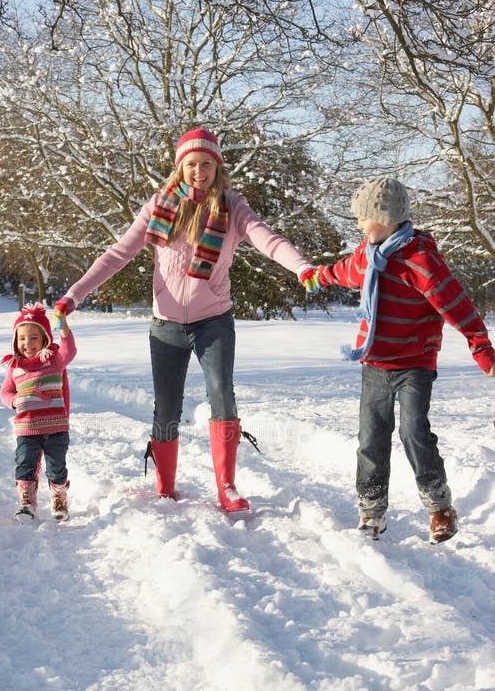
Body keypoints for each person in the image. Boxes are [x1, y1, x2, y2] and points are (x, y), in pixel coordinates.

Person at [54, 127, 313, 512]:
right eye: (191, 164)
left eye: (206, 163)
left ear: (217, 167)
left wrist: (302, 267)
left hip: (214, 321)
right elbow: (116, 254)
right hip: (166, 325)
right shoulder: (160, 206)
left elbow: (268, 240)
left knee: (221, 393)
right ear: (180, 168)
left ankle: (226, 486)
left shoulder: (232, 207)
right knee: (167, 406)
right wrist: (75, 293)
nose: (199, 171)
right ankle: (165, 485)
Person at [300, 176, 495, 543]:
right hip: (375, 361)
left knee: (413, 432)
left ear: (386, 218)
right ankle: (371, 513)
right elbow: (341, 271)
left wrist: (481, 347)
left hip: (415, 362)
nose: (358, 224)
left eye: (363, 217)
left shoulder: (420, 260)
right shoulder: (366, 256)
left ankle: (440, 507)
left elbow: (457, 306)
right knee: (371, 439)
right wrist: (318, 277)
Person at [0, 302, 77, 522]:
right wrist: (14, 401)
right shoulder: (15, 367)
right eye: (22, 338)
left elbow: (69, 350)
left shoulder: (54, 361)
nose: (27, 343)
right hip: (27, 428)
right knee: (25, 463)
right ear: (15, 341)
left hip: (55, 428)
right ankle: (26, 502)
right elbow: (5, 392)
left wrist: (63, 327)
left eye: (34, 337)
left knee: (56, 467)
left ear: (45, 339)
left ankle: (59, 496)